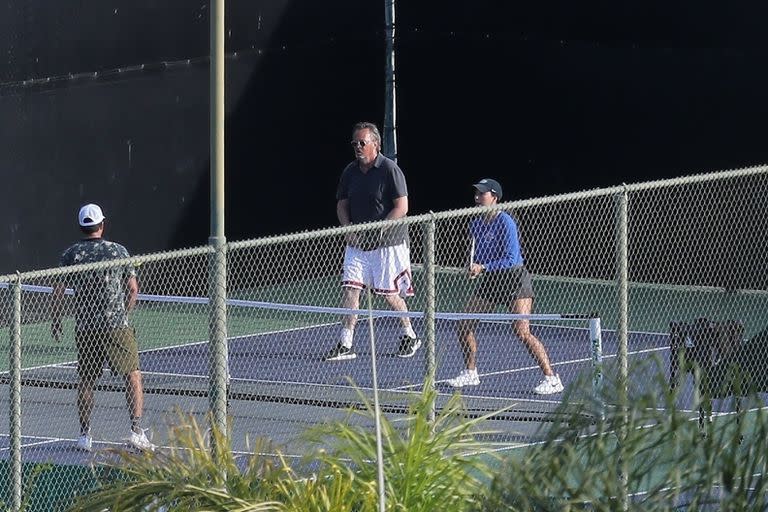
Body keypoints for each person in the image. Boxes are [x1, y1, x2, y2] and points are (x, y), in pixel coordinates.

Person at [51, 203, 155, 451]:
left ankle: (85, 436)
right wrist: (124, 314)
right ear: (102, 225)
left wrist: (56, 321)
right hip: (116, 326)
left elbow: (57, 292)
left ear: (81, 227)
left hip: (86, 327)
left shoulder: (70, 255)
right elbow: (132, 289)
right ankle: (136, 431)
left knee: (86, 379)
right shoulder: (118, 251)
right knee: (133, 375)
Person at [447, 179, 564, 394]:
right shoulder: (475, 224)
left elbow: (512, 259)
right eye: (476, 194)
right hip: (492, 281)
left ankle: (551, 378)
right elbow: (480, 256)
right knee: (464, 324)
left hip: (515, 279)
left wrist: (483, 267)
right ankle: (470, 373)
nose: (477, 198)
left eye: (482, 194)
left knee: (522, 332)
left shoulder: (506, 222)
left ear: (494, 197)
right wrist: (475, 267)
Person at [325, 121, 422, 361]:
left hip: (388, 244)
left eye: (362, 143)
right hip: (357, 244)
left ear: (375, 145)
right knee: (350, 289)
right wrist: (348, 230)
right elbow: (341, 204)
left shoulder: (389, 169)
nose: (357, 147)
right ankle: (346, 344)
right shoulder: (350, 171)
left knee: (389, 294)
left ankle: (410, 335)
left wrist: (381, 228)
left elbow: (402, 206)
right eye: (354, 143)